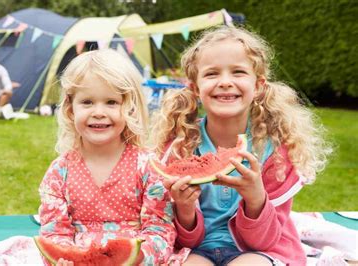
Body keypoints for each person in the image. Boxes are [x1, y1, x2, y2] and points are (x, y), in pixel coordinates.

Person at [152, 26, 332, 265]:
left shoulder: (276, 153)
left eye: (238, 72)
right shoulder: (180, 147)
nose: (225, 82)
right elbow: (185, 241)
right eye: (212, 74)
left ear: (258, 86)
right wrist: (184, 209)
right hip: (198, 249)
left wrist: (255, 198)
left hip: (263, 250)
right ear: (195, 88)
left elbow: (263, 242)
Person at [37, 49, 188, 265]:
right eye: (87, 102)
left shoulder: (148, 167)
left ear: (130, 108)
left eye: (111, 102)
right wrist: (60, 258)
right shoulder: (58, 172)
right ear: (70, 110)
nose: (99, 112)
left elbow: (159, 229)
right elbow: (54, 233)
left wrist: (140, 258)